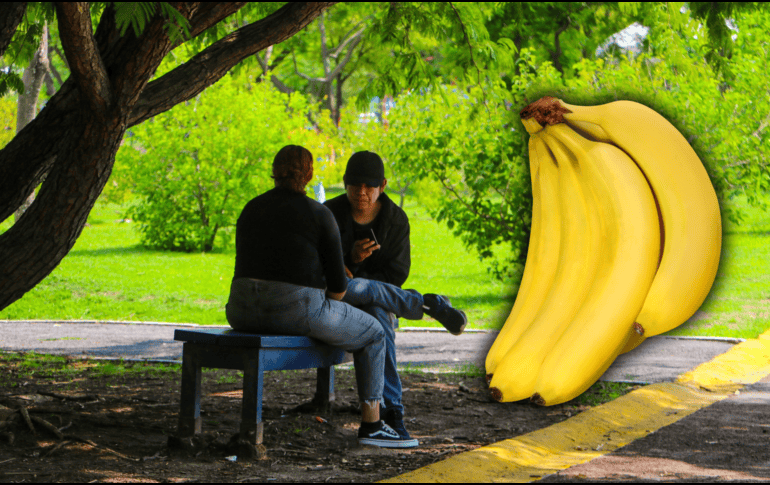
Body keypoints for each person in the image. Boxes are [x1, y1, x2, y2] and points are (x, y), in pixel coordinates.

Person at [225, 145, 417, 448]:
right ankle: (373, 423)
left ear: (273, 173)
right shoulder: (320, 213)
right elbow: (338, 290)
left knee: (372, 304)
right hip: (295, 311)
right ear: (311, 174)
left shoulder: (251, 208)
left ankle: (420, 306)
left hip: (240, 309)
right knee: (376, 333)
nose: (362, 192)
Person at [324, 150, 467, 444]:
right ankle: (427, 304)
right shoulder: (329, 215)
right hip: (334, 300)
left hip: (378, 302)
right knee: (364, 290)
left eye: (369, 187)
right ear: (345, 183)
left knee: (376, 310)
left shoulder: (395, 220)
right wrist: (351, 261)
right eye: (354, 186)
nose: (361, 193)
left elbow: (396, 275)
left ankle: (391, 413)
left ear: (383, 185)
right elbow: (323, 272)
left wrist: (363, 283)